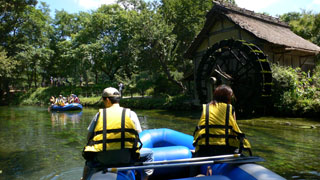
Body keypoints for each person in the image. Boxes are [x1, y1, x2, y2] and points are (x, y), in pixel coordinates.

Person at [81, 87, 153, 180]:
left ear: (107, 100)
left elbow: (89, 138)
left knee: (88, 159)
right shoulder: (131, 114)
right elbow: (139, 135)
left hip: (102, 160)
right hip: (126, 158)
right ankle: (144, 178)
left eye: (103, 99)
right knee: (149, 155)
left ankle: (84, 178)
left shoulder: (99, 115)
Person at [193, 84, 251, 157]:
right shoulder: (230, 108)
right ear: (228, 97)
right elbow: (234, 128)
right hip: (226, 149)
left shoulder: (206, 108)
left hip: (206, 149)